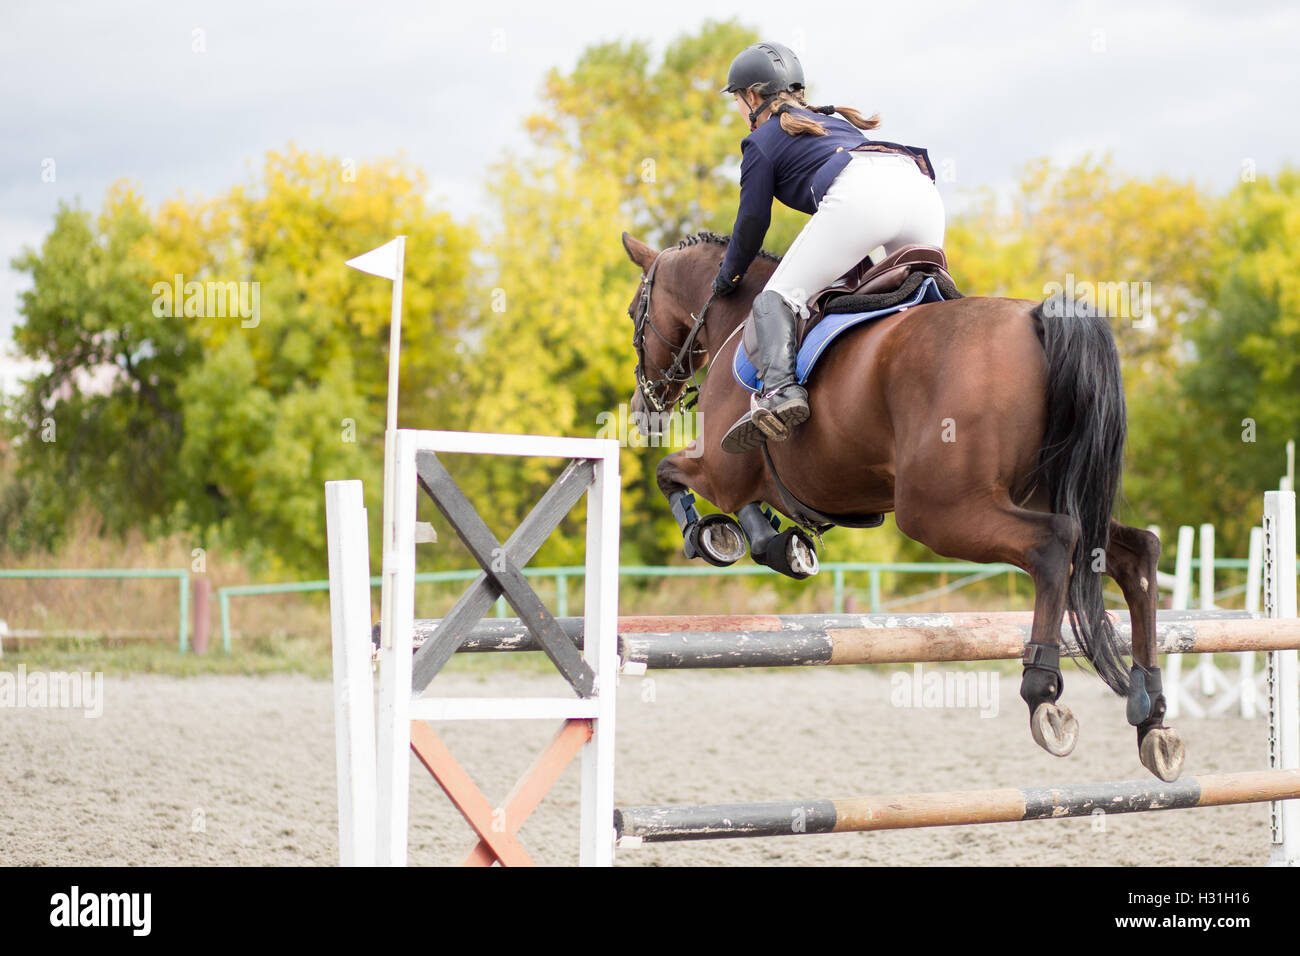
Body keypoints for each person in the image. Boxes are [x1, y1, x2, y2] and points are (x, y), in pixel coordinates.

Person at [714, 41, 946, 454]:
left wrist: (728, 275)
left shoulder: (761, 142)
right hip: (920, 189)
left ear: (751, 96)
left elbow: (751, 224)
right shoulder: (834, 125)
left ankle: (780, 392)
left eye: (736, 98)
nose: (737, 108)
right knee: (925, 303)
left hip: (865, 194)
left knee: (777, 297)